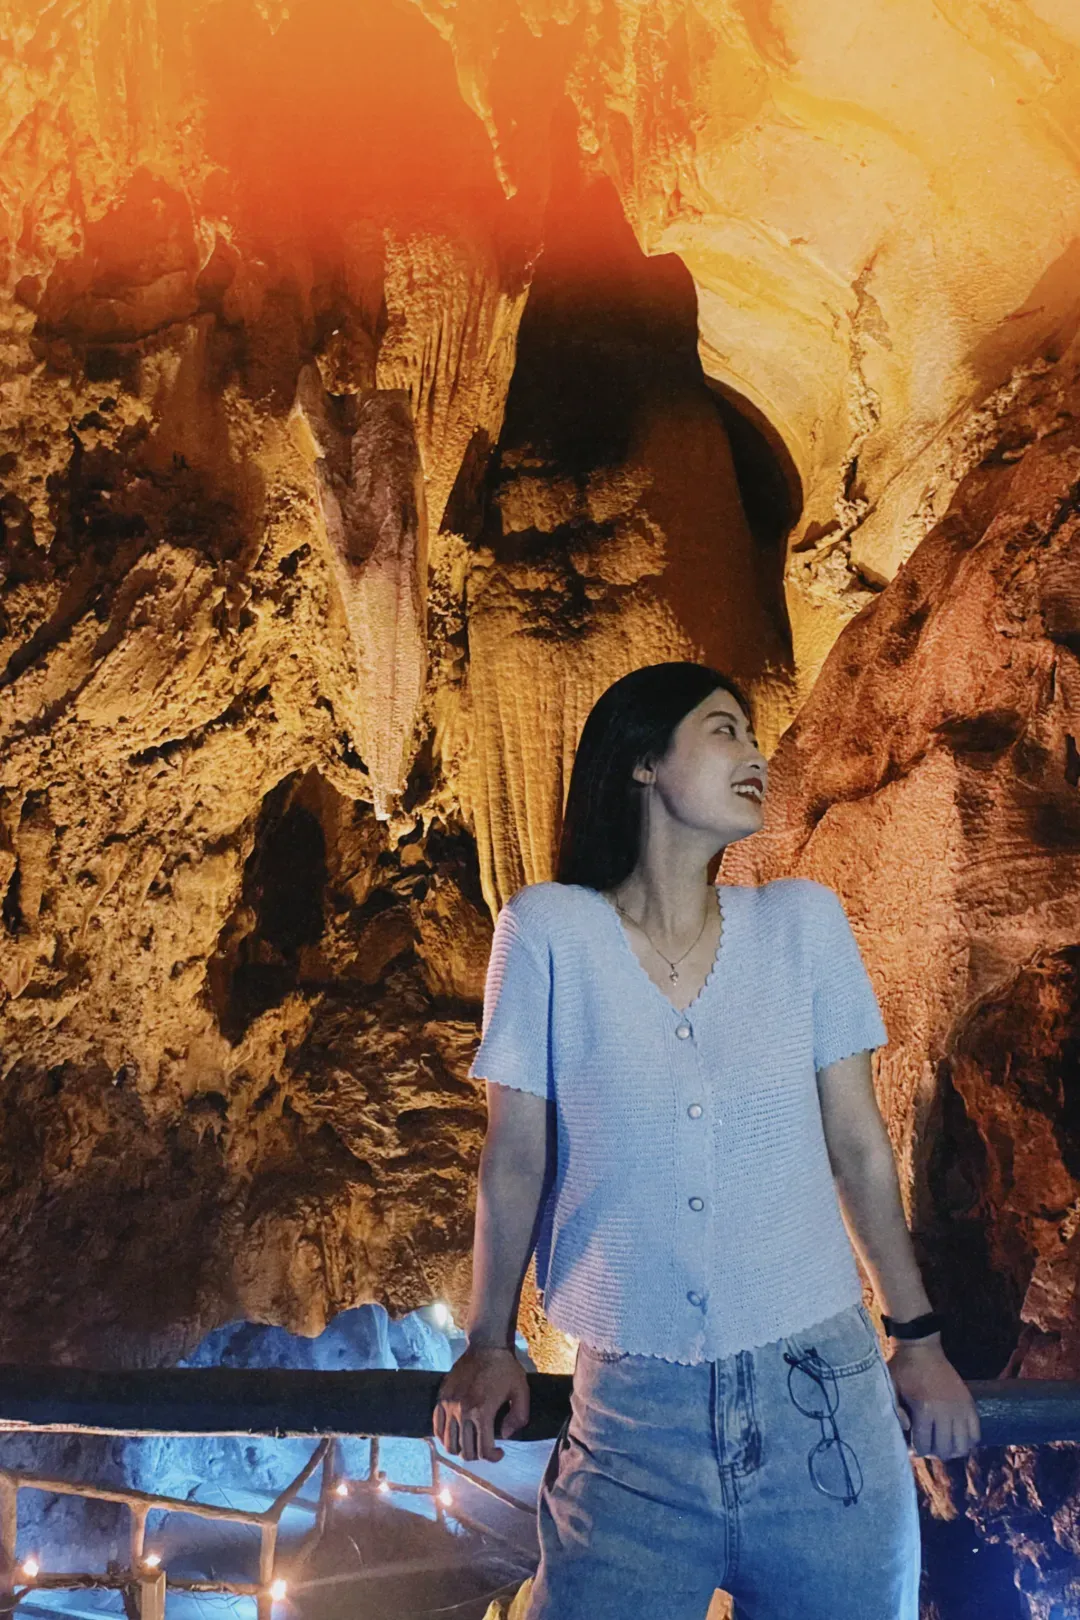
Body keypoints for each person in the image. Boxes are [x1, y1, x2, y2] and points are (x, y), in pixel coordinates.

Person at [433, 661, 980, 1620]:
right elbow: (515, 1157)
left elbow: (858, 1148)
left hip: (826, 1405)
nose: (756, 755)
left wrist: (919, 1340)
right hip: (631, 1423)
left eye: (753, 736)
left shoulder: (802, 923)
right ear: (643, 761)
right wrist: (488, 1341)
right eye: (725, 730)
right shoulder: (546, 932)